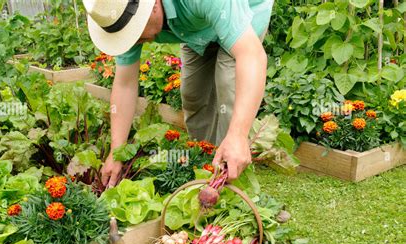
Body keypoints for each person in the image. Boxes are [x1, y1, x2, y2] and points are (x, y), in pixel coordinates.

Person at [83, 0, 274, 186]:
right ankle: (206, 167)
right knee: (193, 95)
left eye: (135, 32)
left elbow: (251, 55)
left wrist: (238, 135)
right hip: (198, 26)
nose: (133, 41)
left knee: (228, 86)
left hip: (243, 11)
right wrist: (117, 153)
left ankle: (233, 181)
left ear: (153, 6)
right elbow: (125, 84)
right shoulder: (121, 15)